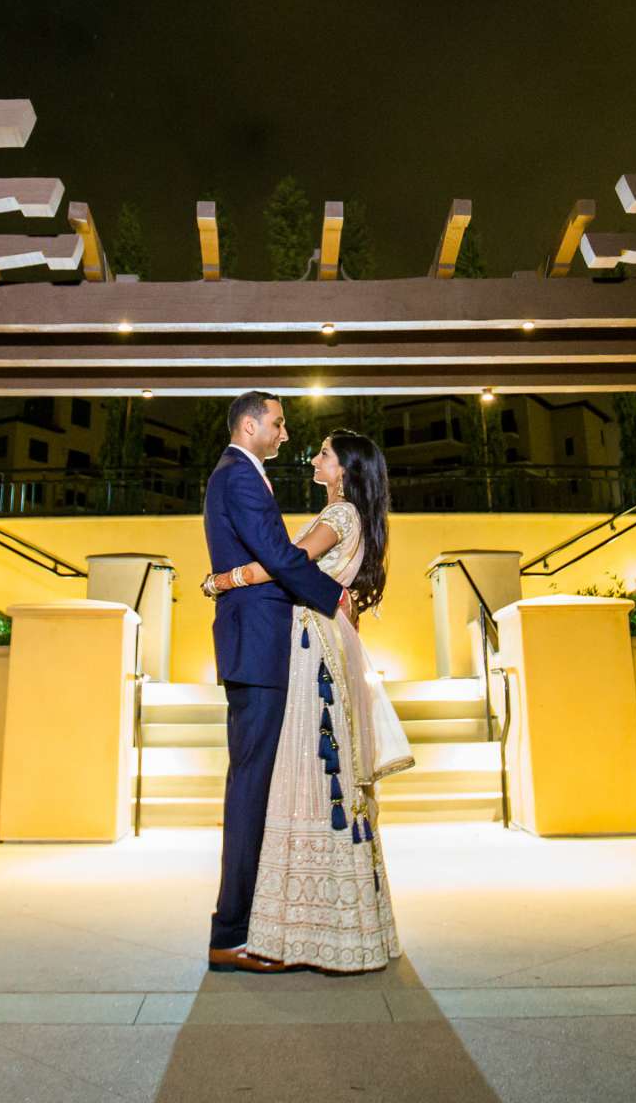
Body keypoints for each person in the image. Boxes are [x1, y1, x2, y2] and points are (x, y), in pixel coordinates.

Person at [210, 426, 408, 973]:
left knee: (311, 770)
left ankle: (307, 926)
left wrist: (225, 580)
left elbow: (287, 563)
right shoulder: (353, 518)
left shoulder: (340, 515)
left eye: (323, 453)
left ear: (343, 469)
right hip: (323, 636)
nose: (314, 457)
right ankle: (326, 925)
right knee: (324, 774)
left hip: (311, 645)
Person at [201, 391, 359, 973]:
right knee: (249, 788)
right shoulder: (239, 477)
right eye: (279, 422)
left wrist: (223, 581)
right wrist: (335, 595)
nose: (285, 434)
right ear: (250, 425)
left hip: (258, 645)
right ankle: (230, 935)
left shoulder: (242, 476)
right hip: (257, 647)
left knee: (255, 786)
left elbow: (267, 556)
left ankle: (246, 924)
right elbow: (280, 555)